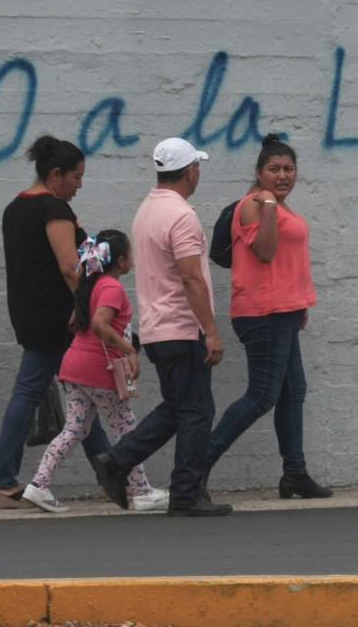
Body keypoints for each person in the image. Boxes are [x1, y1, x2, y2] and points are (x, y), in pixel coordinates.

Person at [91, 137, 232, 516]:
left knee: (177, 407)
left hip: (156, 329)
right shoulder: (181, 215)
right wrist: (211, 331)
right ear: (190, 171)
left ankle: (117, 461)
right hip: (183, 329)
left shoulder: (146, 212)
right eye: (197, 167)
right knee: (197, 411)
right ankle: (185, 494)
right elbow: (191, 278)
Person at [0, 135, 112, 509]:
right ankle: (0, 480)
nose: (80, 184)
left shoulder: (15, 207)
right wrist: (87, 309)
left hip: (30, 312)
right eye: (76, 176)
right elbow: (71, 268)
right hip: (60, 317)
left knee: (84, 392)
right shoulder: (52, 208)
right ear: (56, 174)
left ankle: (112, 471)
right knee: (42, 391)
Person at [206, 134, 330, 499]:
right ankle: (197, 464)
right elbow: (264, 252)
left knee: (294, 391)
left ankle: (295, 473)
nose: (282, 176)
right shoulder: (254, 206)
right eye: (274, 169)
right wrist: (270, 207)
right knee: (262, 395)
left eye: (288, 169)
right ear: (259, 173)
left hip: (285, 311)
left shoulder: (282, 207)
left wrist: (300, 305)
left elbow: (288, 263)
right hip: (263, 313)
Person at [22, 231, 168, 513]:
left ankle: (39, 485)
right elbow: (101, 325)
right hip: (101, 372)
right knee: (127, 428)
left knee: (74, 429)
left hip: (74, 368)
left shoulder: (90, 284)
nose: (134, 260)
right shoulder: (112, 288)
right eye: (131, 255)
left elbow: (74, 322)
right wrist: (128, 349)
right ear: (122, 261)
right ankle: (140, 491)